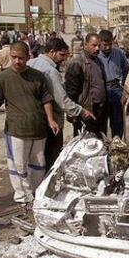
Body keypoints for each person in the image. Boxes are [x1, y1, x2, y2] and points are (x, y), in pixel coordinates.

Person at [0, 41, 59, 209]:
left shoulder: (38, 76)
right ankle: (23, 197)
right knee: (18, 165)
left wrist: (51, 119)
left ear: (28, 57)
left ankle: (36, 194)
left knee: (38, 164)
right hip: (16, 129)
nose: (17, 61)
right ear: (10, 56)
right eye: (14, 57)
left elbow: (46, 99)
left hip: (38, 128)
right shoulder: (2, 78)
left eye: (21, 58)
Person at [28, 38, 95, 171]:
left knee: (35, 160)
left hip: (34, 120)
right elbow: (62, 101)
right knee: (51, 159)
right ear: (52, 52)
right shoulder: (51, 71)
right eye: (62, 55)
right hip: (51, 122)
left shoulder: (31, 62)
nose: (63, 59)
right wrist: (81, 111)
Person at [65, 33, 107, 136]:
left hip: (99, 111)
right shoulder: (77, 63)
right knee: (85, 145)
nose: (97, 48)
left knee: (99, 143)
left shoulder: (98, 61)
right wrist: (73, 113)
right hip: (86, 112)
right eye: (94, 45)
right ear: (86, 45)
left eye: (99, 45)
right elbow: (71, 92)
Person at [98, 29, 129, 138]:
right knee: (101, 124)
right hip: (101, 91)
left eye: (110, 44)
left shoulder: (119, 53)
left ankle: (117, 147)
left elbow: (127, 70)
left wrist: (125, 90)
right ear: (99, 43)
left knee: (117, 123)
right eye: (104, 45)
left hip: (116, 90)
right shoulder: (96, 55)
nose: (107, 47)